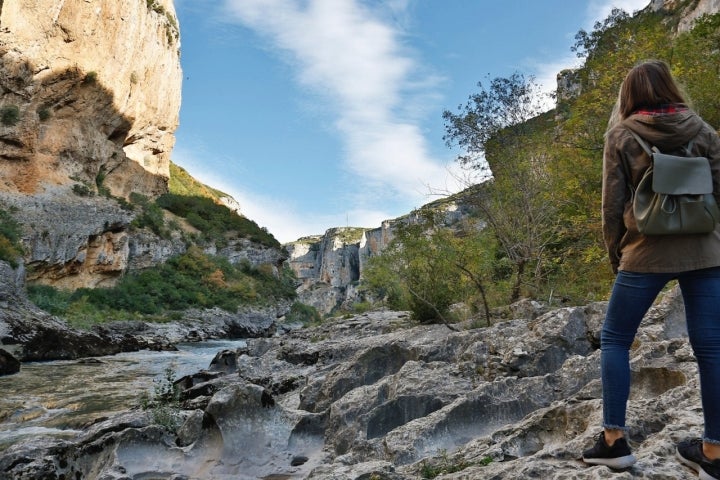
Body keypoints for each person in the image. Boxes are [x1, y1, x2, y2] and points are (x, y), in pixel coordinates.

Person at [581, 59, 720, 479]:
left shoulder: (622, 134)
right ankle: (713, 452)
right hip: (705, 251)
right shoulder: (705, 132)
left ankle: (613, 443)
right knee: (712, 349)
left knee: (616, 339)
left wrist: (615, 253)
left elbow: (612, 203)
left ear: (630, 94)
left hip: (645, 252)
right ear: (670, 88)